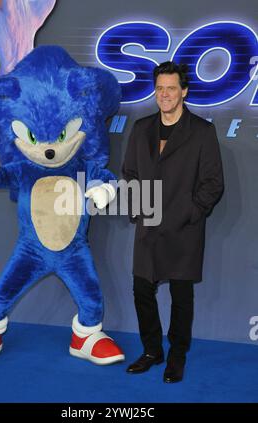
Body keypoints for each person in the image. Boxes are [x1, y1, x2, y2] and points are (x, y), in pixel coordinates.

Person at [122, 61, 224, 383]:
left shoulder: (202, 132)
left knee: (181, 297)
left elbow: (212, 183)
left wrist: (190, 214)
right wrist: (139, 211)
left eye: (171, 88)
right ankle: (152, 351)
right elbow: (130, 173)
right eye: (159, 89)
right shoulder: (141, 129)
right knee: (141, 291)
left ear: (184, 91)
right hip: (148, 228)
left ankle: (177, 355)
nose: (164, 95)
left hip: (184, 232)